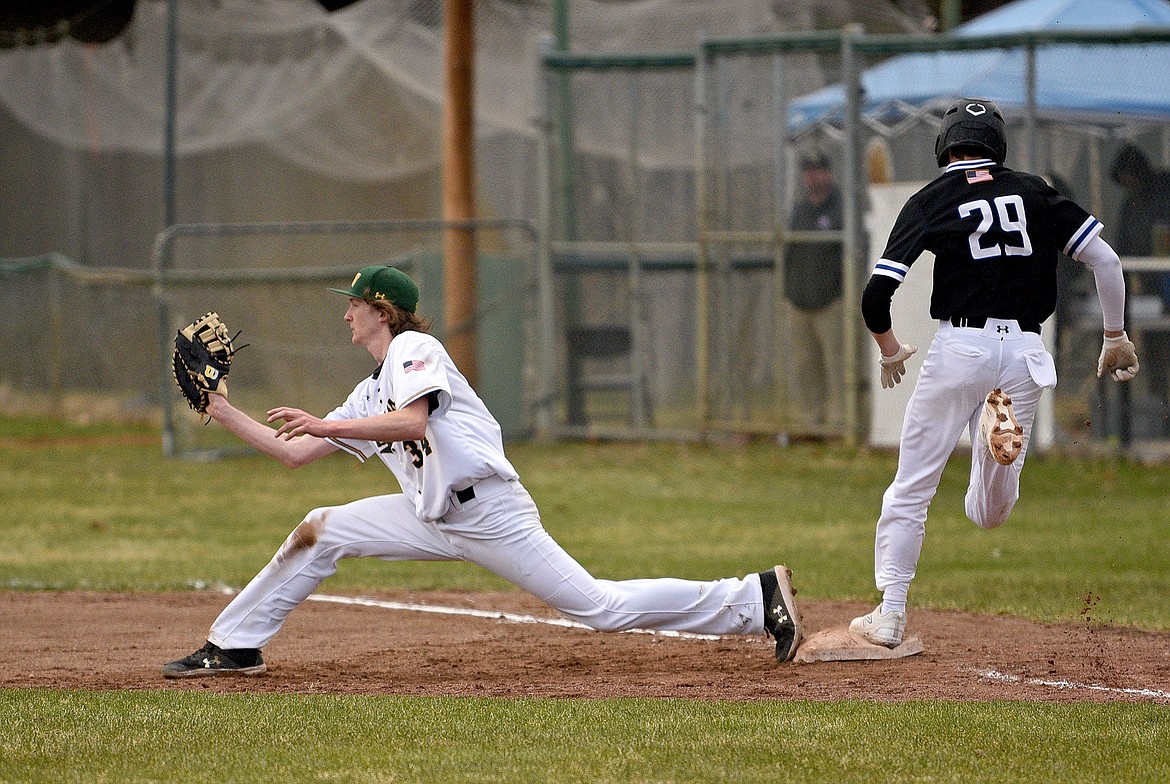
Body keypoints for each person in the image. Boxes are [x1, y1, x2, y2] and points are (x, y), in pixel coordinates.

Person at [162, 265, 802, 677]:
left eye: (354, 303)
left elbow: (412, 423)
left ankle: (752, 598)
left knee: (597, 606)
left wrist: (324, 423)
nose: (346, 313)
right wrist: (219, 409)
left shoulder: (415, 349)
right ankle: (236, 644)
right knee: (322, 528)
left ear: (382, 311)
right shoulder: (369, 389)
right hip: (431, 515)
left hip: (490, 512)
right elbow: (293, 453)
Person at [849, 98, 1140, 648]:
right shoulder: (1034, 189)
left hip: (961, 347)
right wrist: (1114, 336)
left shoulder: (933, 198)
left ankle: (890, 613)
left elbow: (876, 294)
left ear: (946, 145)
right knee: (989, 514)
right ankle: (996, 443)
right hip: (1027, 352)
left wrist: (890, 349)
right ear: (997, 146)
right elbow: (1106, 260)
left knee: (911, 488)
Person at [784, 150, 845, 433]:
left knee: (837, 362)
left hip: (831, 300)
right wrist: (790, 291)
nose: (812, 176)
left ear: (829, 173)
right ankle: (812, 422)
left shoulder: (840, 208)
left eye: (818, 170)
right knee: (804, 364)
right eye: (807, 170)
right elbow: (790, 254)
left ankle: (840, 421)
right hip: (800, 301)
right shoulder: (799, 210)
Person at [1110, 143, 1170, 403]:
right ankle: (1160, 402)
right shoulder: (1130, 204)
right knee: (1157, 352)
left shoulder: (1163, 192)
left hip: (1160, 285)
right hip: (1150, 292)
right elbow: (1121, 250)